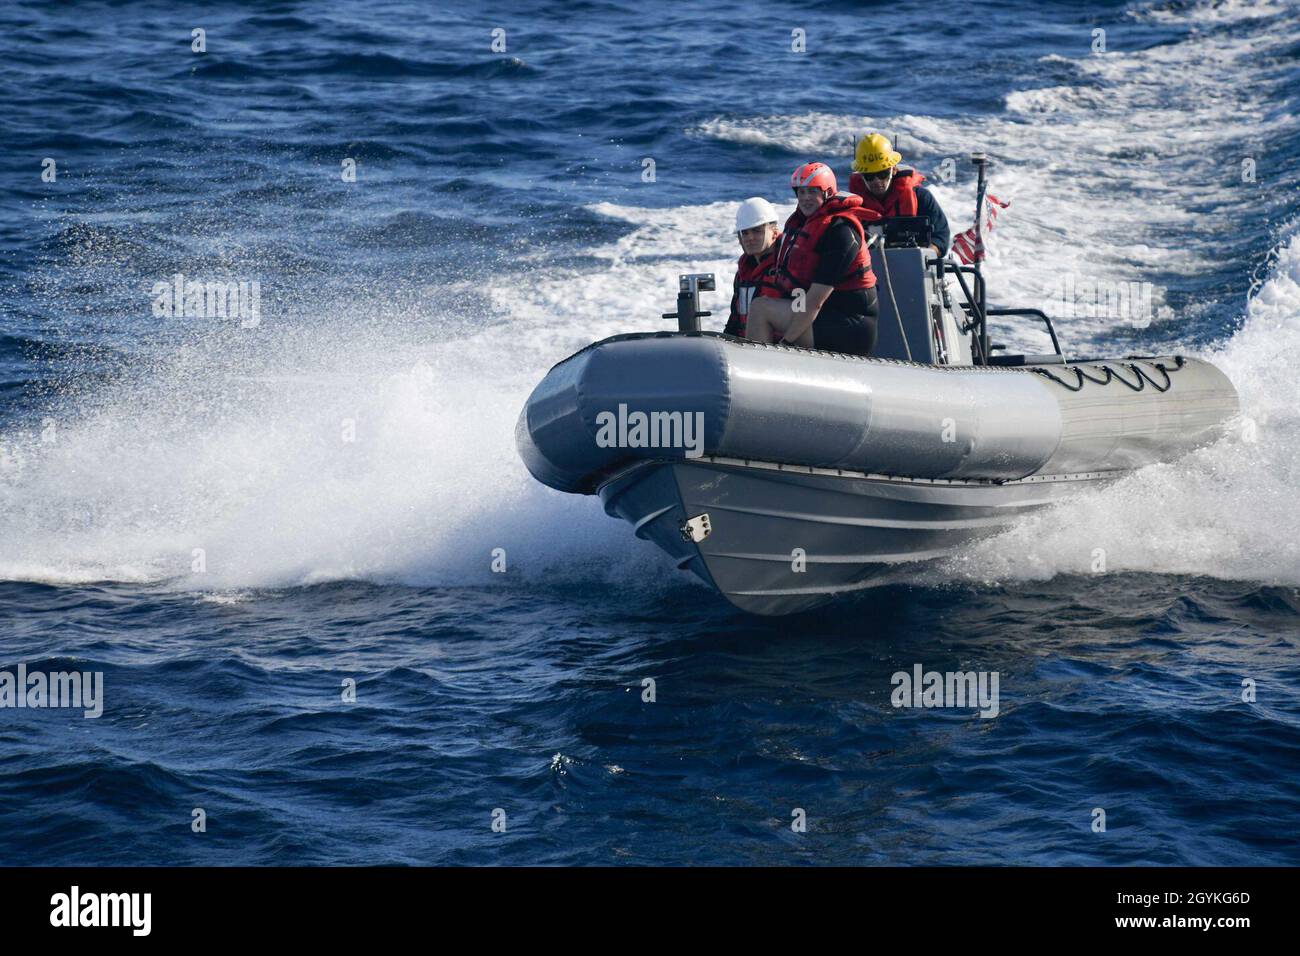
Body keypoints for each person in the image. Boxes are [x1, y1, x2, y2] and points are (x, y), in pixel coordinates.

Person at [745, 162, 881, 356]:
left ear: (827, 193)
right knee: (765, 303)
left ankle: (763, 371)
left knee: (761, 309)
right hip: (825, 315)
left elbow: (815, 300)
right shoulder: (806, 225)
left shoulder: (841, 233)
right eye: (801, 192)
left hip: (852, 326)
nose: (805, 198)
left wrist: (787, 342)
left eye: (812, 192)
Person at [849, 133, 950, 257]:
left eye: (882, 174)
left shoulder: (921, 198)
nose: (877, 181)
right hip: (867, 270)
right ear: (861, 175)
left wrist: (923, 256)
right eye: (869, 176)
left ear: (894, 169)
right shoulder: (850, 206)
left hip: (916, 270)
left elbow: (941, 238)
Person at [724, 197, 782, 338]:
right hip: (749, 351)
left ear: (774, 232)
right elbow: (734, 321)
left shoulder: (788, 266)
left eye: (757, 231)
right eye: (745, 233)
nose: (750, 238)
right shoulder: (742, 275)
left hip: (783, 352)